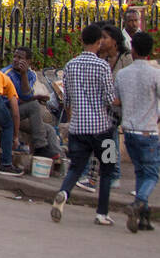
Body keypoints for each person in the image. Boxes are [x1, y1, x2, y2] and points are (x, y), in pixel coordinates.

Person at [52, 24, 122, 226]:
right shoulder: (102, 66)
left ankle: (64, 192)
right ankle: (102, 213)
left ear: (81, 41)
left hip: (77, 129)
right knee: (107, 169)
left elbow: (68, 100)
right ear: (99, 42)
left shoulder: (70, 65)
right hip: (103, 129)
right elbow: (109, 99)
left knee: (75, 167)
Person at [115, 31, 159, 232]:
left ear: (132, 50)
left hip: (129, 130)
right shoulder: (155, 74)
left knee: (141, 172)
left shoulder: (123, 74)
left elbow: (117, 101)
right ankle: (139, 202)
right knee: (152, 174)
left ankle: (144, 218)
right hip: (148, 131)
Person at [2, 47, 62, 161]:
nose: (15, 60)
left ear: (28, 62)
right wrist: (32, 98)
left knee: (49, 129)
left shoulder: (31, 74)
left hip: (20, 114)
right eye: (15, 56)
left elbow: (26, 95)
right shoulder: (6, 74)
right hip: (6, 113)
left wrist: (24, 74)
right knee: (34, 105)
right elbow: (7, 102)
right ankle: (40, 147)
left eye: (20, 58)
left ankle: (58, 160)